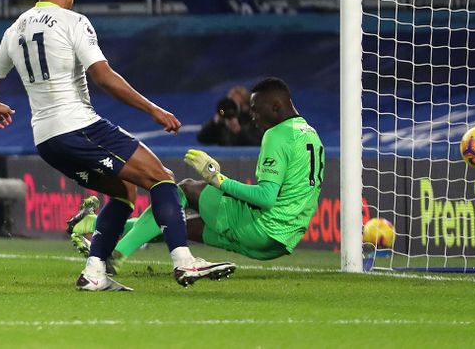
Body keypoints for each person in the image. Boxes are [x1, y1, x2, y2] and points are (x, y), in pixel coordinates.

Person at [0, 0, 235, 291]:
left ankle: (94, 272)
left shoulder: (15, 30)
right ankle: (185, 262)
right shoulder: (74, 22)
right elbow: (103, 76)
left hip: (46, 140)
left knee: (124, 191)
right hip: (78, 126)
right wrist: (153, 109)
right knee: (162, 178)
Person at [70, 77, 323, 264]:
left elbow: (266, 198)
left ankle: (117, 254)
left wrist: (218, 179)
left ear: (276, 107)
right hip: (280, 243)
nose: (253, 117)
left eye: (256, 110)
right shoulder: (312, 135)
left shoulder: (277, 135)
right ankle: (94, 224)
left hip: (262, 227)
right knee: (178, 225)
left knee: (185, 188)